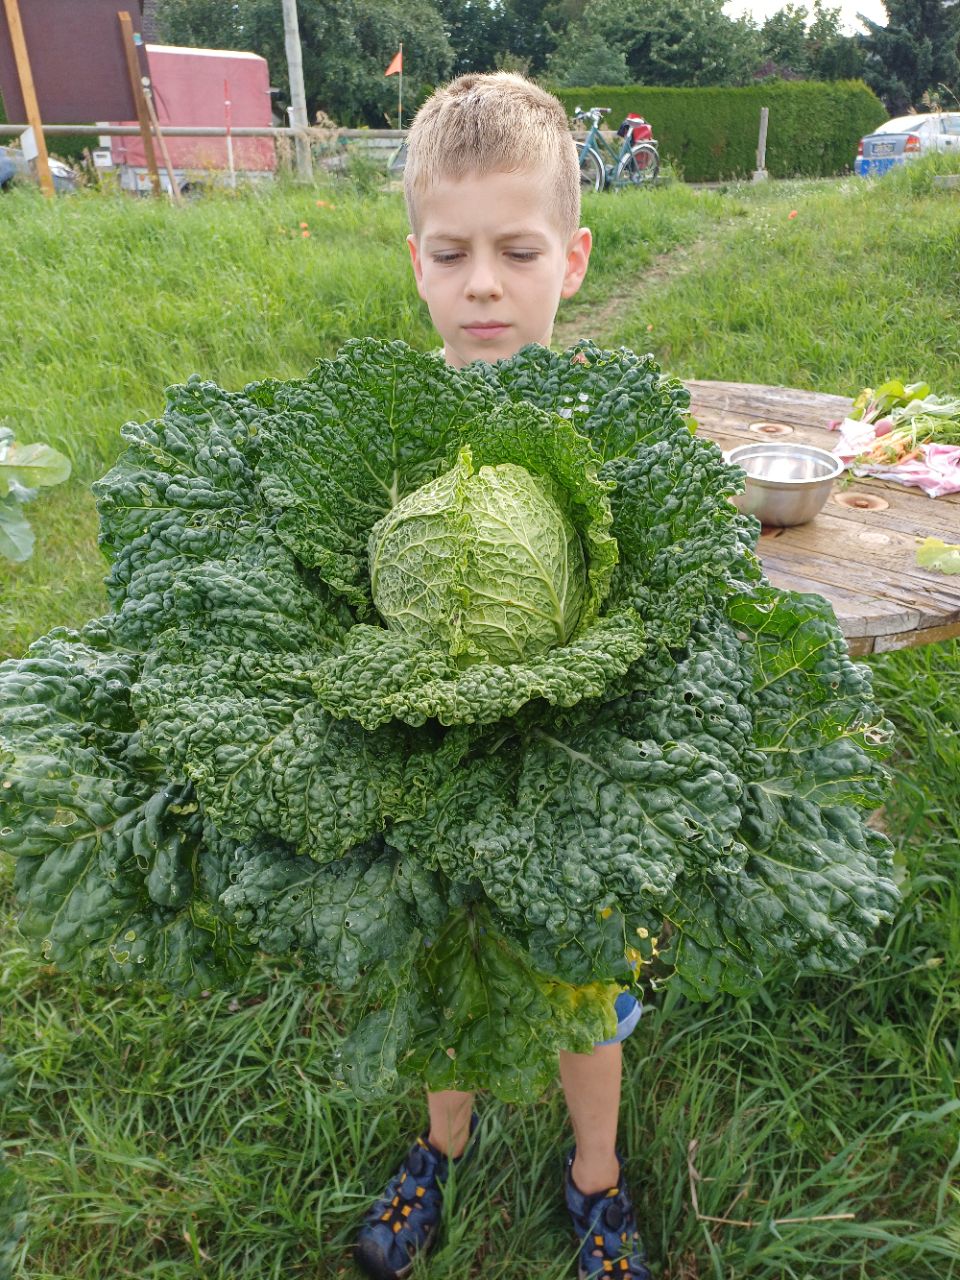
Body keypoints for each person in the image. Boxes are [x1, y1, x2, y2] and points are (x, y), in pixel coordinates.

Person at [353, 72, 649, 1280]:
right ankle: (443, 1145)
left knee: (587, 984)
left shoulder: (615, 421)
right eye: (453, 252)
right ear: (417, 260)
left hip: (575, 773)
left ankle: (597, 1178)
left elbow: (660, 602)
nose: (484, 282)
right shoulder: (384, 424)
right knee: (445, 965)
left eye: (516, 251)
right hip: (427, 761)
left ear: (571, 258)